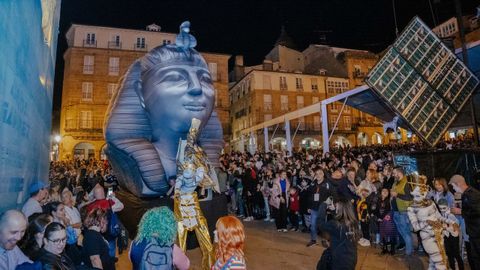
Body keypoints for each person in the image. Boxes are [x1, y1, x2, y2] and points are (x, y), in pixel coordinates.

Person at [316, 198, 359, 270]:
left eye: (337, 207)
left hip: (338, 260)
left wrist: (324, 205)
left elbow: (320, 224)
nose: (335, 207)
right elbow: (341, 219)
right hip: (351, 259)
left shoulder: (335, 224)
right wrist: (333, 211)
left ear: (340, 210)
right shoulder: (354, 223)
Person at [450, 174, 480, 270]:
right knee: (475, 257)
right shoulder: (466, 194)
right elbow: (471, 209)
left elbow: (478, 211)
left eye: (454, 186)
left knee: (477, 258)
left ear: (458, 184)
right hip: (473, 231)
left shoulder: (472, 194)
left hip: (477, 232)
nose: (454, 189)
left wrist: (460, 211)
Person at [307, 168, 335, 247]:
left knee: (322, 225)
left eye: (320, 173)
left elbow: (332, 194)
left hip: (322, 208)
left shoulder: (327, 183)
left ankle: (325, 239)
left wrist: (329, 204)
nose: (318, 175)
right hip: (313, 207)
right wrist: (309, 207)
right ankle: (313, 240)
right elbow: (309, 193)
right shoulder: (313, 183)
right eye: (317, 173)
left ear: (323, 174)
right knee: (312, 225)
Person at [390, 166, 413, 256]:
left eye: (394, 172)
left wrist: (397, 195)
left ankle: (409, 252)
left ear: (399, 173)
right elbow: (393, 192)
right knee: (401, 230)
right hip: (396, 210)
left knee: (406, 231)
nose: (393, 174)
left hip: (403, 211)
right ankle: (408, 249)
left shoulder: (407, 182)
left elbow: (410, 198)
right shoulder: (396, 182)